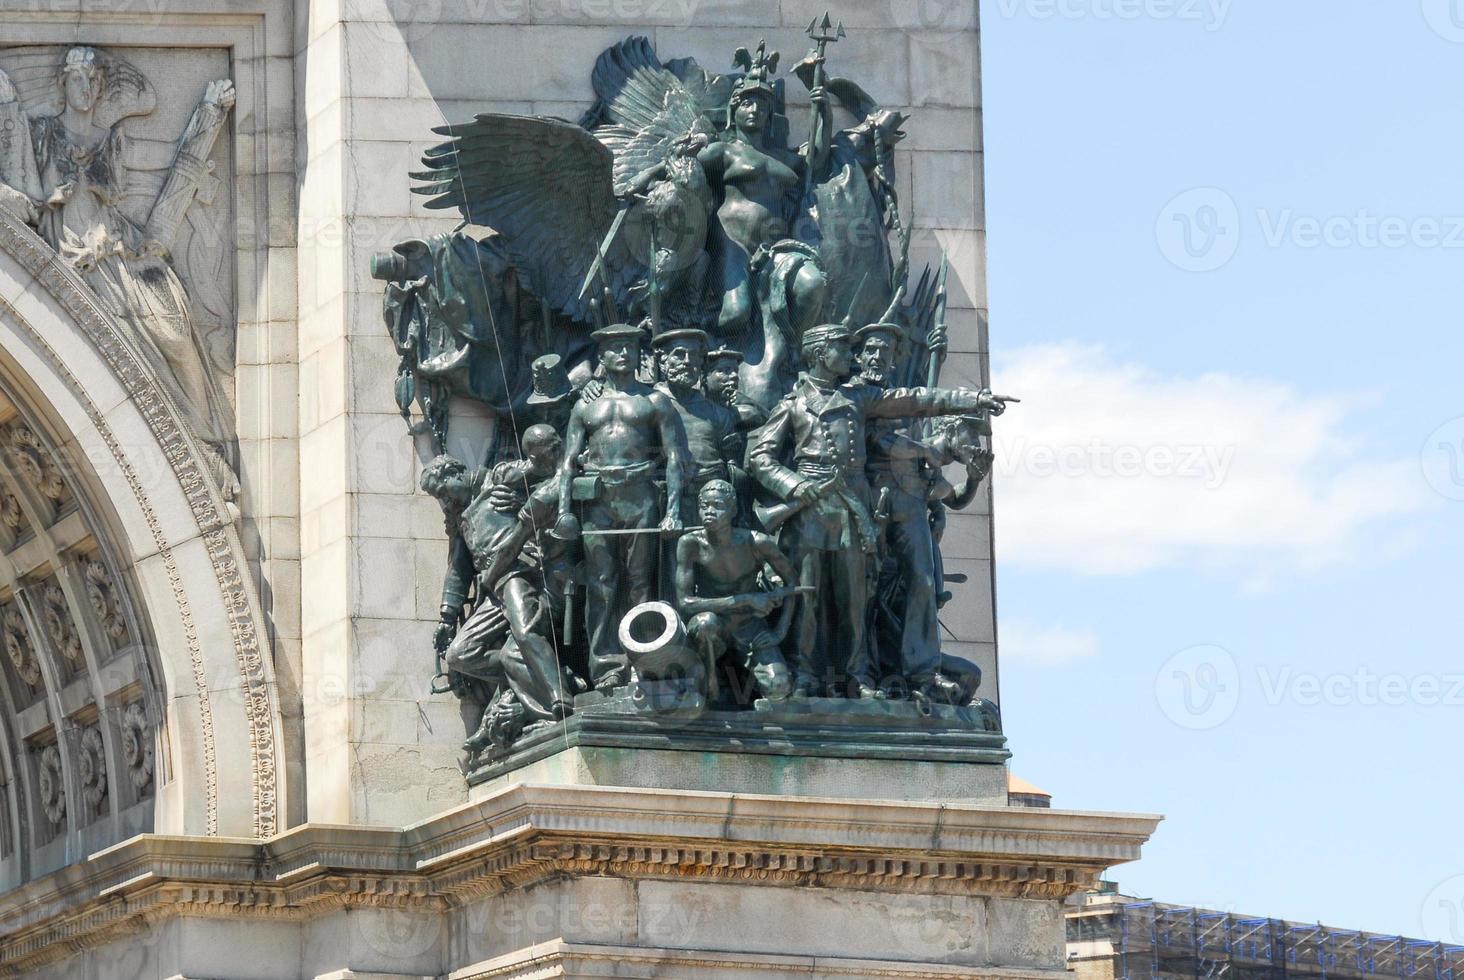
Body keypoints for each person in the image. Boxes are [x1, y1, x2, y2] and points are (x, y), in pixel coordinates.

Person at [747, 321, 1009, 699]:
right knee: (808, 596)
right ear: (821, 354)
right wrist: (795, 485)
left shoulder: (858, 398)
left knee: (856, 600)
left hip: (853, 510)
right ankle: (804, 674)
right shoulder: (793, 405)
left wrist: (971, 400)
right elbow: (762, 457)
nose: (852, 357)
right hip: (808, 510)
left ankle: (860, 677)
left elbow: (913, 398)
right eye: (843, 348)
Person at [420, 425, 578, 752]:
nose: (445, 500)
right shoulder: (460, 520)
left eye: (445, 490)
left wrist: (523, 496)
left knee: (524, 630)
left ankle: (558, 695)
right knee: (460, 655)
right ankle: (533, 669)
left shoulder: (499, 477)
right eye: (439, 498)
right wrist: (447, 618)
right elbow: (458, 571)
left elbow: (546, 470)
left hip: (520, 570)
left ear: (458, 472)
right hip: (494, 588)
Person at [555, 323, 685, 689]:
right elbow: (567, 462)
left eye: (629, 346)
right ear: (602, 356)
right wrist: (565, 510)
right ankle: (607, 666)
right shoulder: (585, 405)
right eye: (615, 348)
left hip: (640, 496)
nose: (623, 353)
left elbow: (675, 459)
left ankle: (642, 659)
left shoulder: (655, 401)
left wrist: (673, 510)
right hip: (597, 501)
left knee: (642, 582)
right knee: (601, 584)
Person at [674, 479, 800, 703]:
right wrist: (744, 599)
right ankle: (706, 680)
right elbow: (685, 603)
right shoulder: (690, 544)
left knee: (779, 687)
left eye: (718, 506)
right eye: (704, 506)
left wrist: (780, 630)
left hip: (750, 627)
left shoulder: (757, 542)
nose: (709, 512)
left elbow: (792, 582)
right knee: (705, 624)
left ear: (732, 510)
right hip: (713, 625)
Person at [652, 328, 742, 520]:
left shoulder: (717, 413)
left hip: (710, 505)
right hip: (662, 503)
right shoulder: (645, 405)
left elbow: (733, 466)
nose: (687, 361)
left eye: (693, 354)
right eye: (679, 354)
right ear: (662, 361)